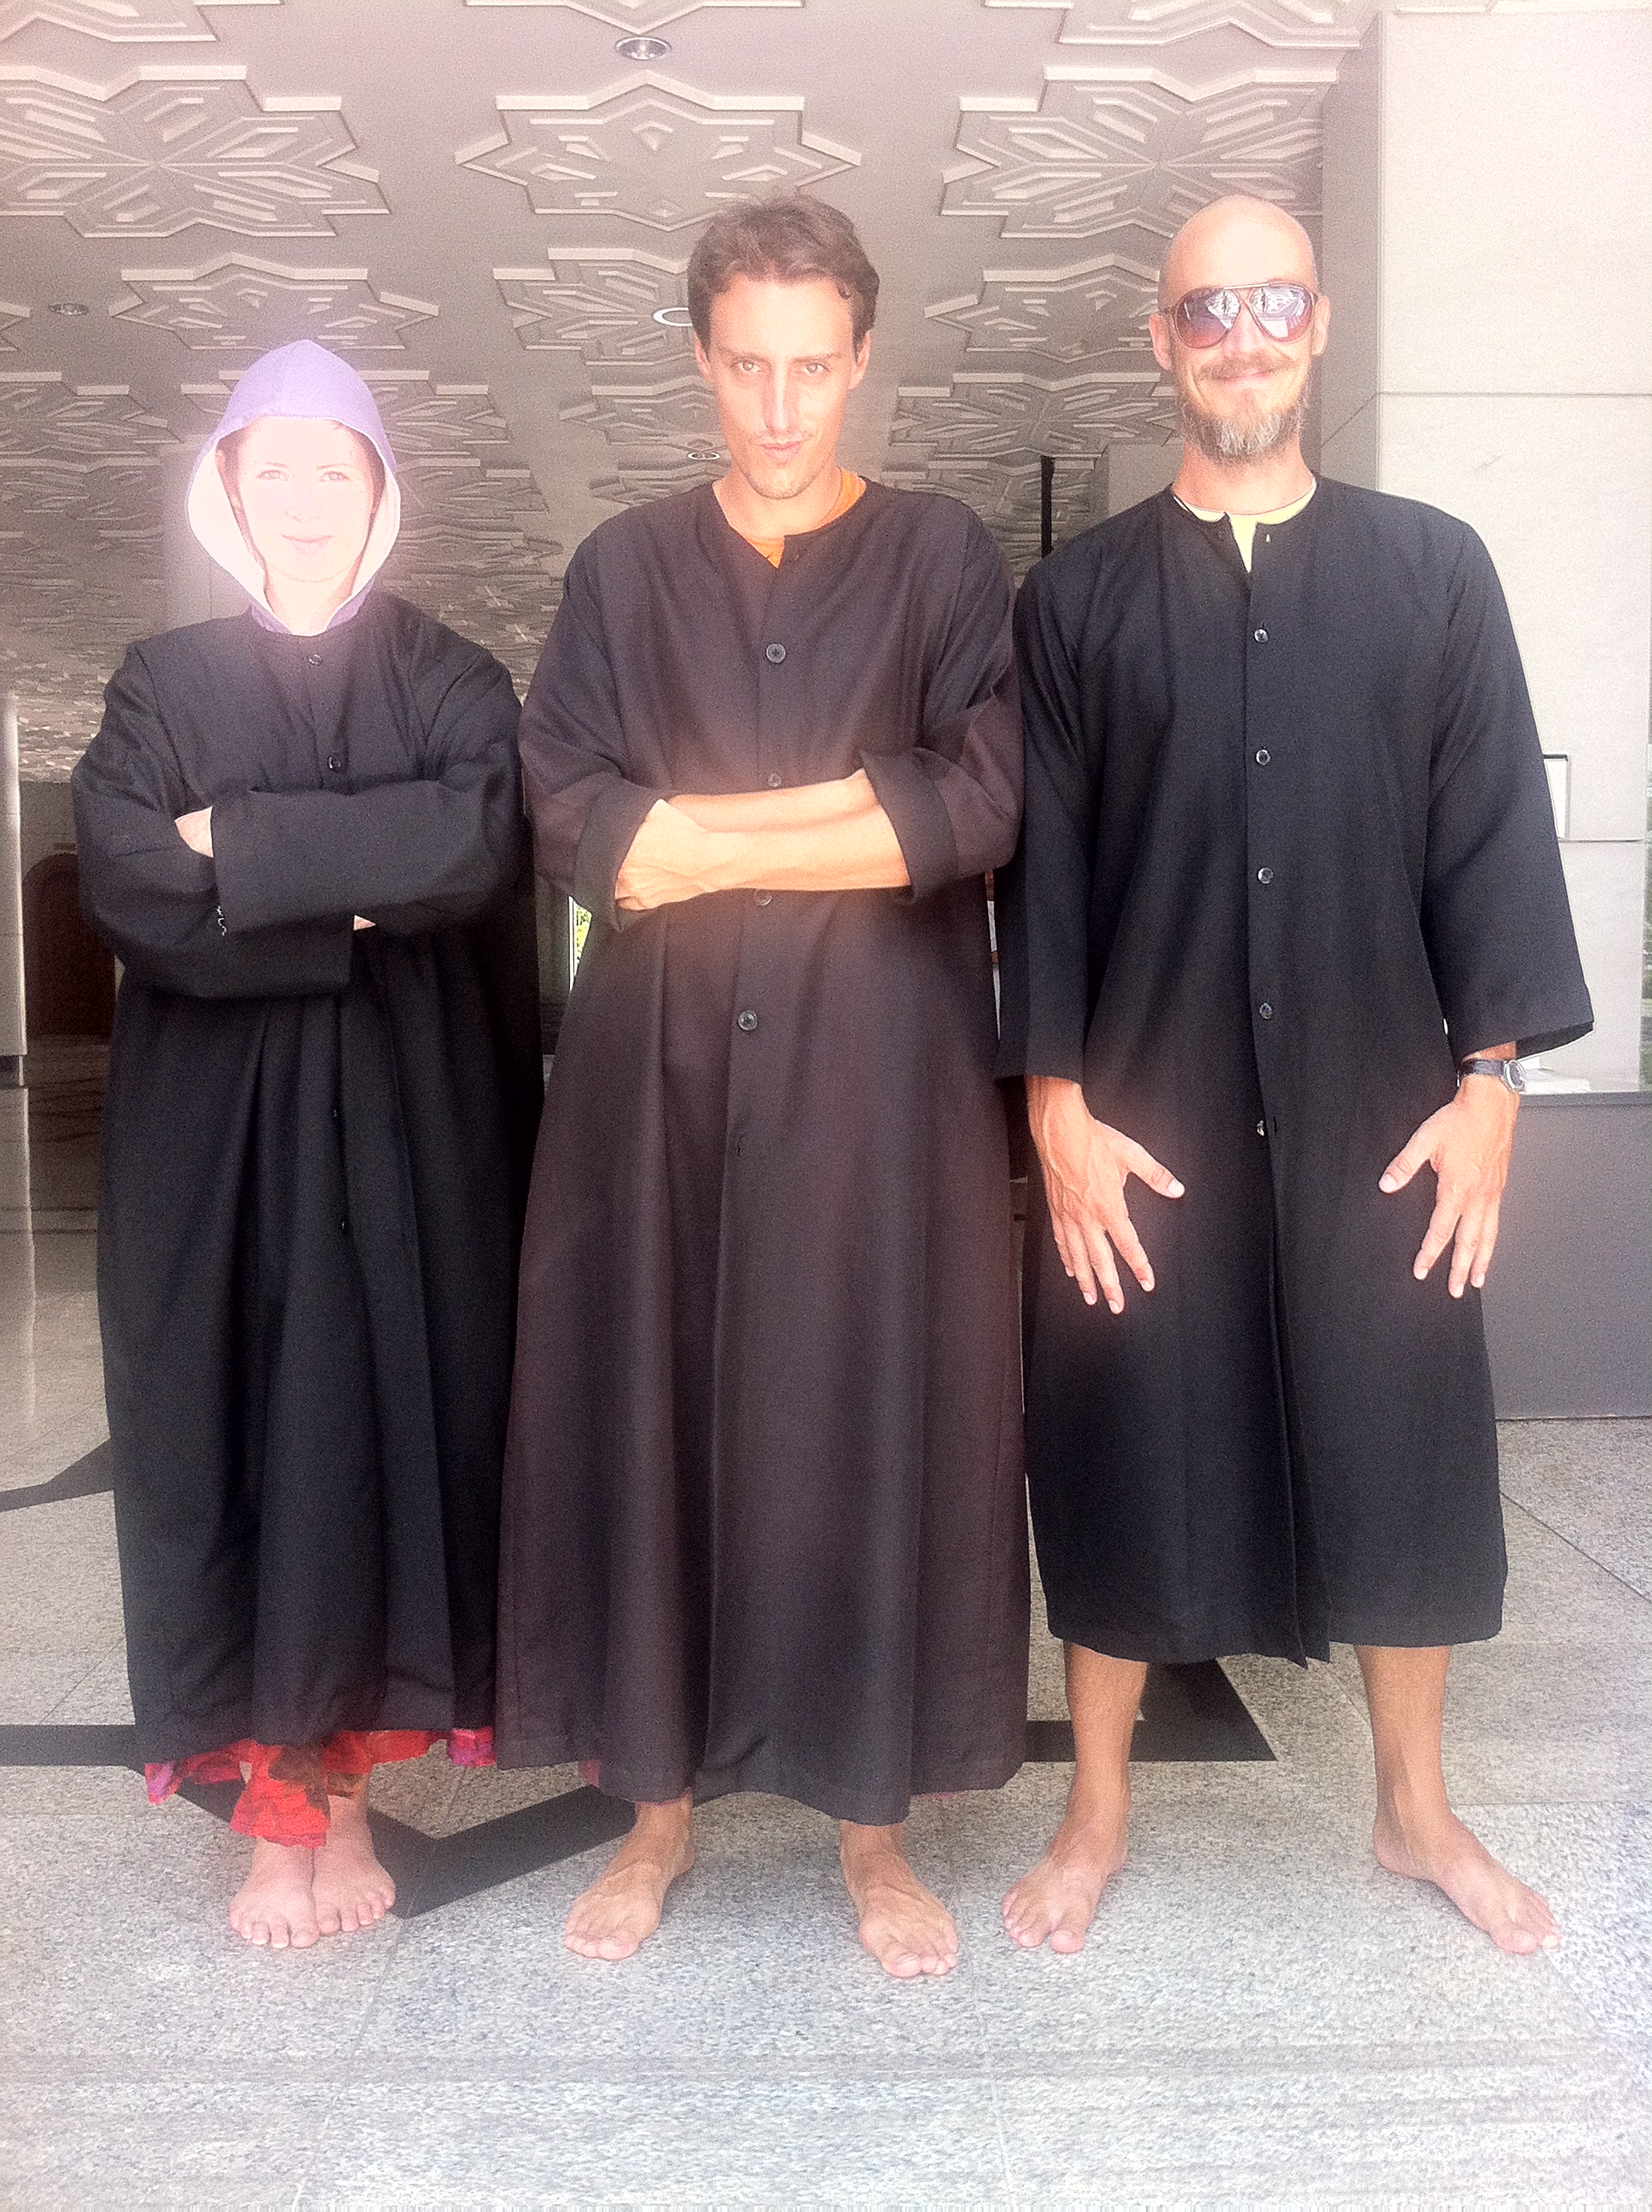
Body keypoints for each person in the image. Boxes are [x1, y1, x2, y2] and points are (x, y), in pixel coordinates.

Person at [995, 195, 1593, 1959]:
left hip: (1378, 1112)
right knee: (1121, 1440)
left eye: (1272, 303)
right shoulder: (1075, 603)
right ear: (1159, 340)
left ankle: (1416, 1812)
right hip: (1144, 1116)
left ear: (1318, 324)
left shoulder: (1432, 574)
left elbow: (1487, 836)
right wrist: (1053, 1112)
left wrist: (1491, 1084)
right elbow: (1042, 878)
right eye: (1206, 309)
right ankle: (1095, 1812)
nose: (1240, 336)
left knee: (1396, 1442)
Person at [497, 196, 1028, 1978]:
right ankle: (655, 1824)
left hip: (880, 1099)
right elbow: (577, 823)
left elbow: (974, 805)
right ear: (700, 360)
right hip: (649, 1103)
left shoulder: (940, 556)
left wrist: (702, 835)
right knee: (651, 1427)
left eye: (813, 366)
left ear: (862, 356)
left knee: (869, 1429)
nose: (782, 407)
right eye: (748, 367)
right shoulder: (620, 569)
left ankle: (874, 1839)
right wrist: (852, 816)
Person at [73, 340, 543, 1950]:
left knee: (379, 1447)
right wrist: (347, 882)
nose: (301, 500)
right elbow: (130, 881)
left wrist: (243, 845)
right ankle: (267, 1834)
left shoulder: (453, 676)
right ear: (224, 490)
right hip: (213, 1156)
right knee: (237, 1449)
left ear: (379, 492)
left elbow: (469, 845)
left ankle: (342, 1812)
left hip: (411, 1141)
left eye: (330, 469)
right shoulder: (158, 683)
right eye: (269, 468)